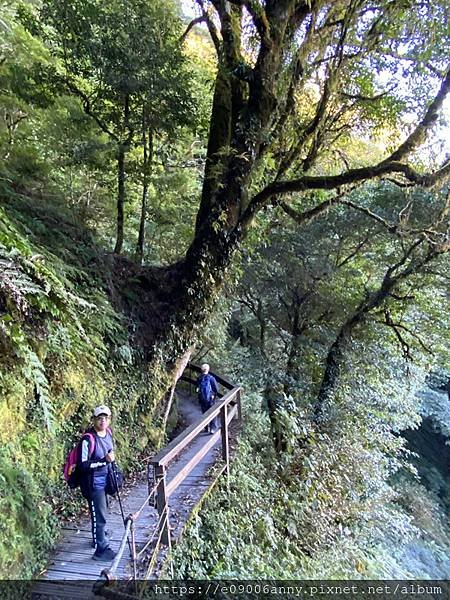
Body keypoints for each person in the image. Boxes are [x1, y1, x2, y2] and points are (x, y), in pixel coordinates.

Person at [78, 404, 117, 561]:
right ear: (93, 420)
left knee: (101, 512)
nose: (102, 421)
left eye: (105, 418)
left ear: (109, 420)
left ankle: (98, 538)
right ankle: (101, 549)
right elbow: (83, 465)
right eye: (99, 418)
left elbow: (110, 455)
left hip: (105, 480)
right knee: (100, 516)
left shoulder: (108, 433)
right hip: (93, 483)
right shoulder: (88, 439)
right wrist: (103, 462)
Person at [196, 363, 219, 433]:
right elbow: (216, 389)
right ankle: (213, 428)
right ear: (208, 369)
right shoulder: (211, 378)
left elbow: (197, 388)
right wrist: (213, 395)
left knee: (204, 413)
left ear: (201, 370)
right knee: (212, 413)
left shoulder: (199, 378)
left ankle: (206, 428)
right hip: (210, 399)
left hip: (202, 399)